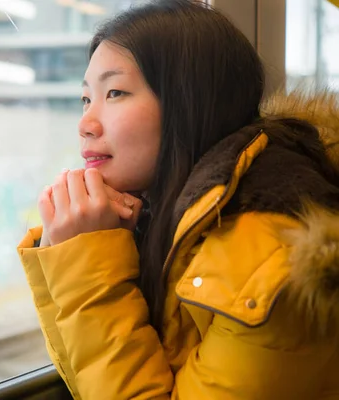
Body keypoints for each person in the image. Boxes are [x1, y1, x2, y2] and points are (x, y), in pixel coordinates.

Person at [17, 0, 339, 399]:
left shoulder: (268, 255)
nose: (86, 124)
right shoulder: (158, 214)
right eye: (86, 99)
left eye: (115, 92)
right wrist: (66, 248)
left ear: (191, 102)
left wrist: (86, 266)